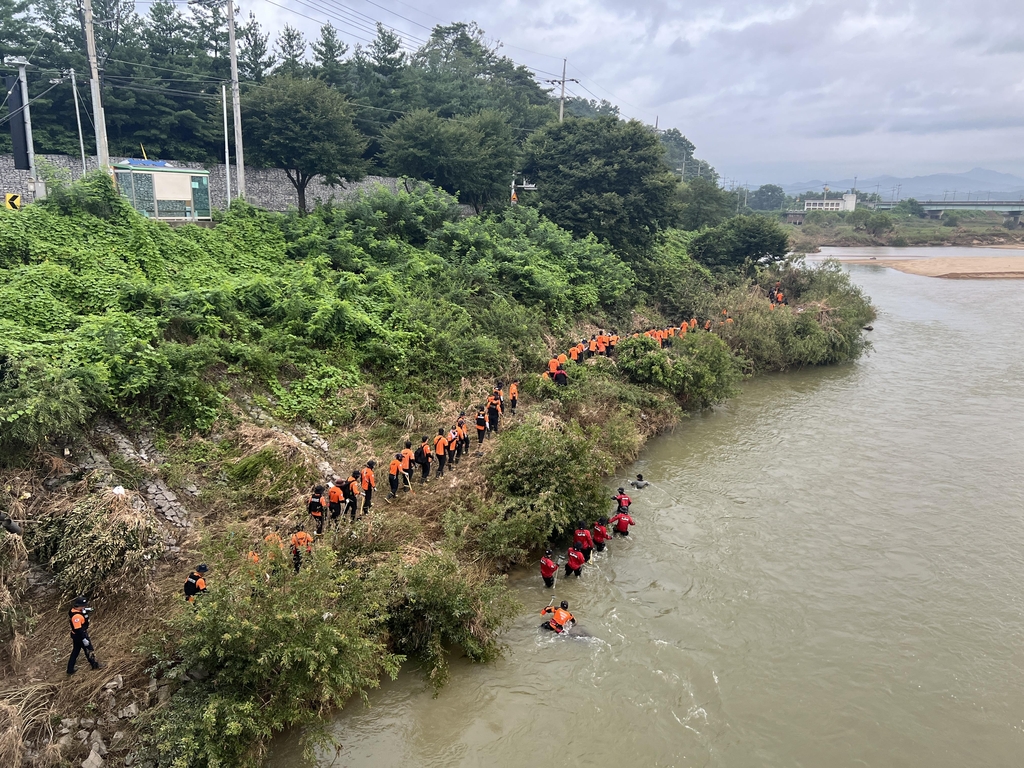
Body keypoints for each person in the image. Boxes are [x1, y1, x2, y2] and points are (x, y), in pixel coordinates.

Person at [67, 596, 103, 674]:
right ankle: (94, 665)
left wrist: (86, 611)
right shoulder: (76, 617)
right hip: (79, 636)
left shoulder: (74, 610)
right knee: (89, 650)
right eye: (84, 606)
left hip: (76, 635)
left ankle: (70, 669)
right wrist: (84, 639)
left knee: (75, 652)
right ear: (79, 606)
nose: (85, 607)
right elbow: (78, 629)